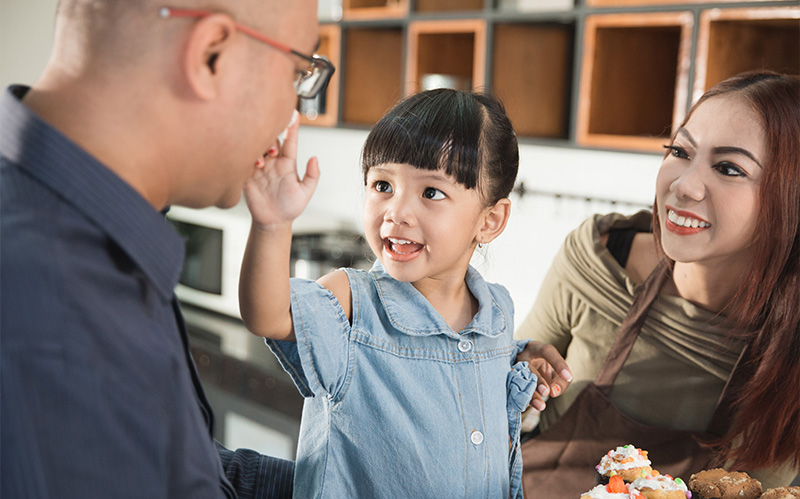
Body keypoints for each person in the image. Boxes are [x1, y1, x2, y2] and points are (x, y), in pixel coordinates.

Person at [1, 0, 333, 497]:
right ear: (210, 55)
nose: (292, 114)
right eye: (296, 72)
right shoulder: (57, 317)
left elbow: (169, 465)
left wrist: (336, 484)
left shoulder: (84, 236)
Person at [238, 88, 537, 497]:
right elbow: (267, 314)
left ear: (489, 220)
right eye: (382, 185)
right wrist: (272, 224)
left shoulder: (497, 311)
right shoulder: (350, 301)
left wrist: (526, 357)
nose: (396, 212)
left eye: (431, 192)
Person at [514, 70, 800, 497]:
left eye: (728, 168)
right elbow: (496, 409)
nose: (683, 185)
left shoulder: (789, 347)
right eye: (680, 151)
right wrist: (516, 381)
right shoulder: (599, 260)